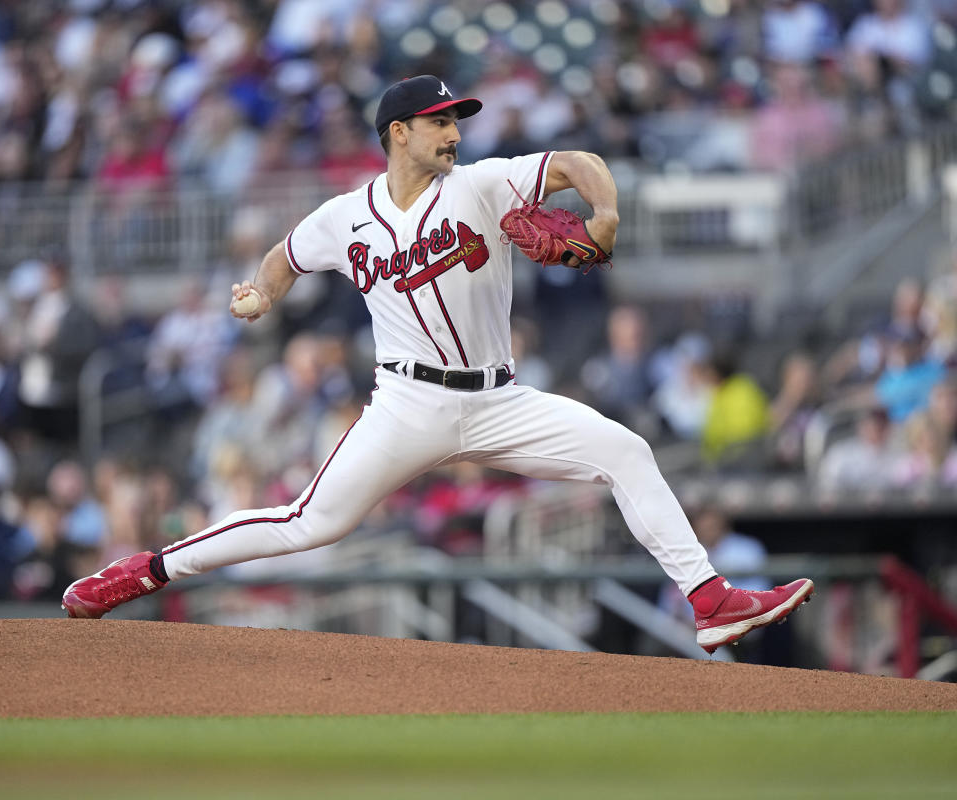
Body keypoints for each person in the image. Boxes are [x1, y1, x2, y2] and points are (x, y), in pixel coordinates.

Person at [62, 75, 813, 655]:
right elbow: (286, 257)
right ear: (399, 134)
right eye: (440, 121)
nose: (454, 131)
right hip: (406, 407)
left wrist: (606, 211)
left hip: (500, 400)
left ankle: (709, 601)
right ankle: (145, 571)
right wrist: (261, 292)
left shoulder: (482, 185)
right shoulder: (343, 216)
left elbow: (579, 164)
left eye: (456, 120)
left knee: (626, 450)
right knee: (307, 524)